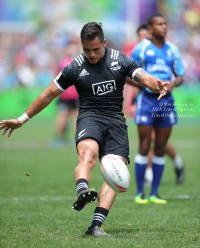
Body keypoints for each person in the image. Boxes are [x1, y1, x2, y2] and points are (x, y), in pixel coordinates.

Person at [0, 22, 169, 236]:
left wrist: (156, 84)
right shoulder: (75, 66)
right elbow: (47, 94)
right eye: (86, 49)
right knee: (87, 157)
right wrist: (21, 119)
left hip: (116, 122)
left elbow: (143, 76)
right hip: (90, 118)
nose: (91, 54)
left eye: (96, 49)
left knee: (114, 175)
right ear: (81, 45)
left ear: (104, 43)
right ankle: (83, 191)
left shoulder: (120, 60)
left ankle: (96, 226)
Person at [127, 13, 185, 204]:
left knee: (160, 147)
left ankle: (154, 193)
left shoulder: (173, 50)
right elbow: (127, 75)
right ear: (150, 28)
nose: (164, 26)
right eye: (159, 24)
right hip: (147, 102)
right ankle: (139, 193)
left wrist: (173, 84)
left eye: (165, 23)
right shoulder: (141, 49)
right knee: (144, 145)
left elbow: (180, 76)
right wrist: (148, 85)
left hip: (166, 102)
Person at [51, 42, 79, 147]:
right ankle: (58, 138)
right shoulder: (64, 62)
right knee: (63, 117)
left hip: (76, 95)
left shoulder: (77, 61)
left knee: (76, 118)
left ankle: (74, 138)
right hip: (65, 94)